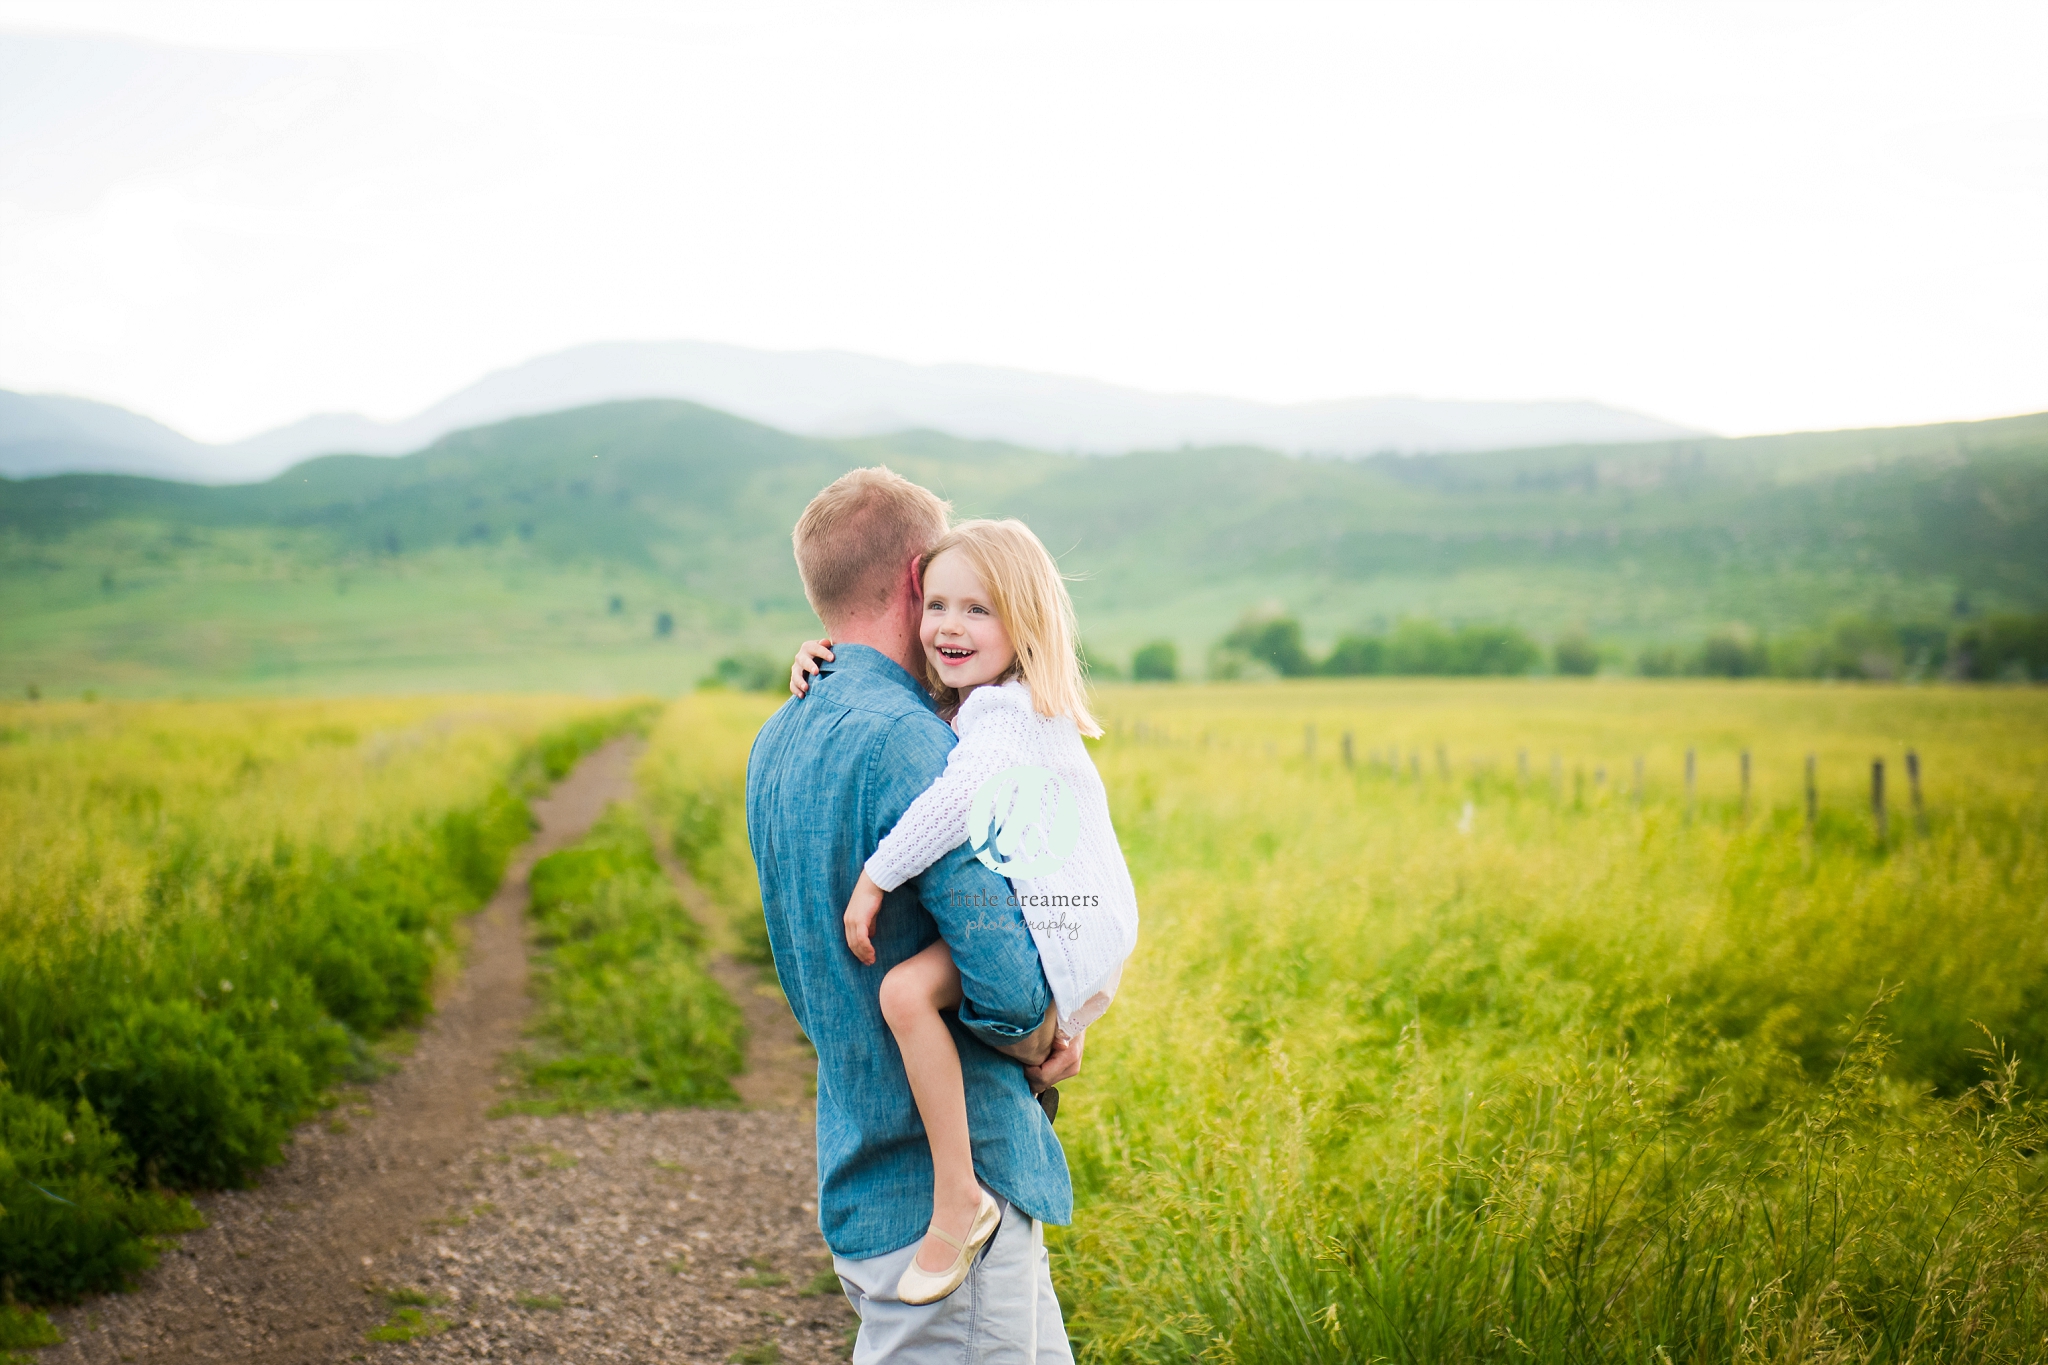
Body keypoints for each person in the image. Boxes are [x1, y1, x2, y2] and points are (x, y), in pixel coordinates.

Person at [746, 468, 1083, 1363]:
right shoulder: (916, 742)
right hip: (950, 1192)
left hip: (860, 1161)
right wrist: (1054, 1032)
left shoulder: (778, 734)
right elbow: (1010, 991)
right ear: (911, 582)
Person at [789, 519, 1139, 1306]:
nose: (949, 625)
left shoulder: (1006, 716)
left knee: (904, 992)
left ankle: (958, 1194)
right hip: (1074, 927)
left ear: (1026, 624)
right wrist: (825, 658)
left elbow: (952, 799)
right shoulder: (993, 705)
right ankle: (968, 1182)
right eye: (937, 603)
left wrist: (876, 876)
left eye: (977, 610)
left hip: (1061, 928)